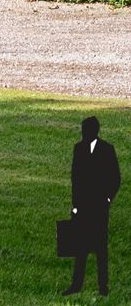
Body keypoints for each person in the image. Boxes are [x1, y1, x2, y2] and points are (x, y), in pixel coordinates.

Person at [70, 115, 120, 296]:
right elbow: (75, 179)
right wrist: (75, 205)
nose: (83, 134)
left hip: (99, 207)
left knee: (101, 249)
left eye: (86, 130)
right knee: (80, 248)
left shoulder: (107, 150)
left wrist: (107, 199)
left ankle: (103, 287)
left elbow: (115, 178)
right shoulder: (78, 149)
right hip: (82, 206)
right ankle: (76, 285)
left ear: (93, 131)